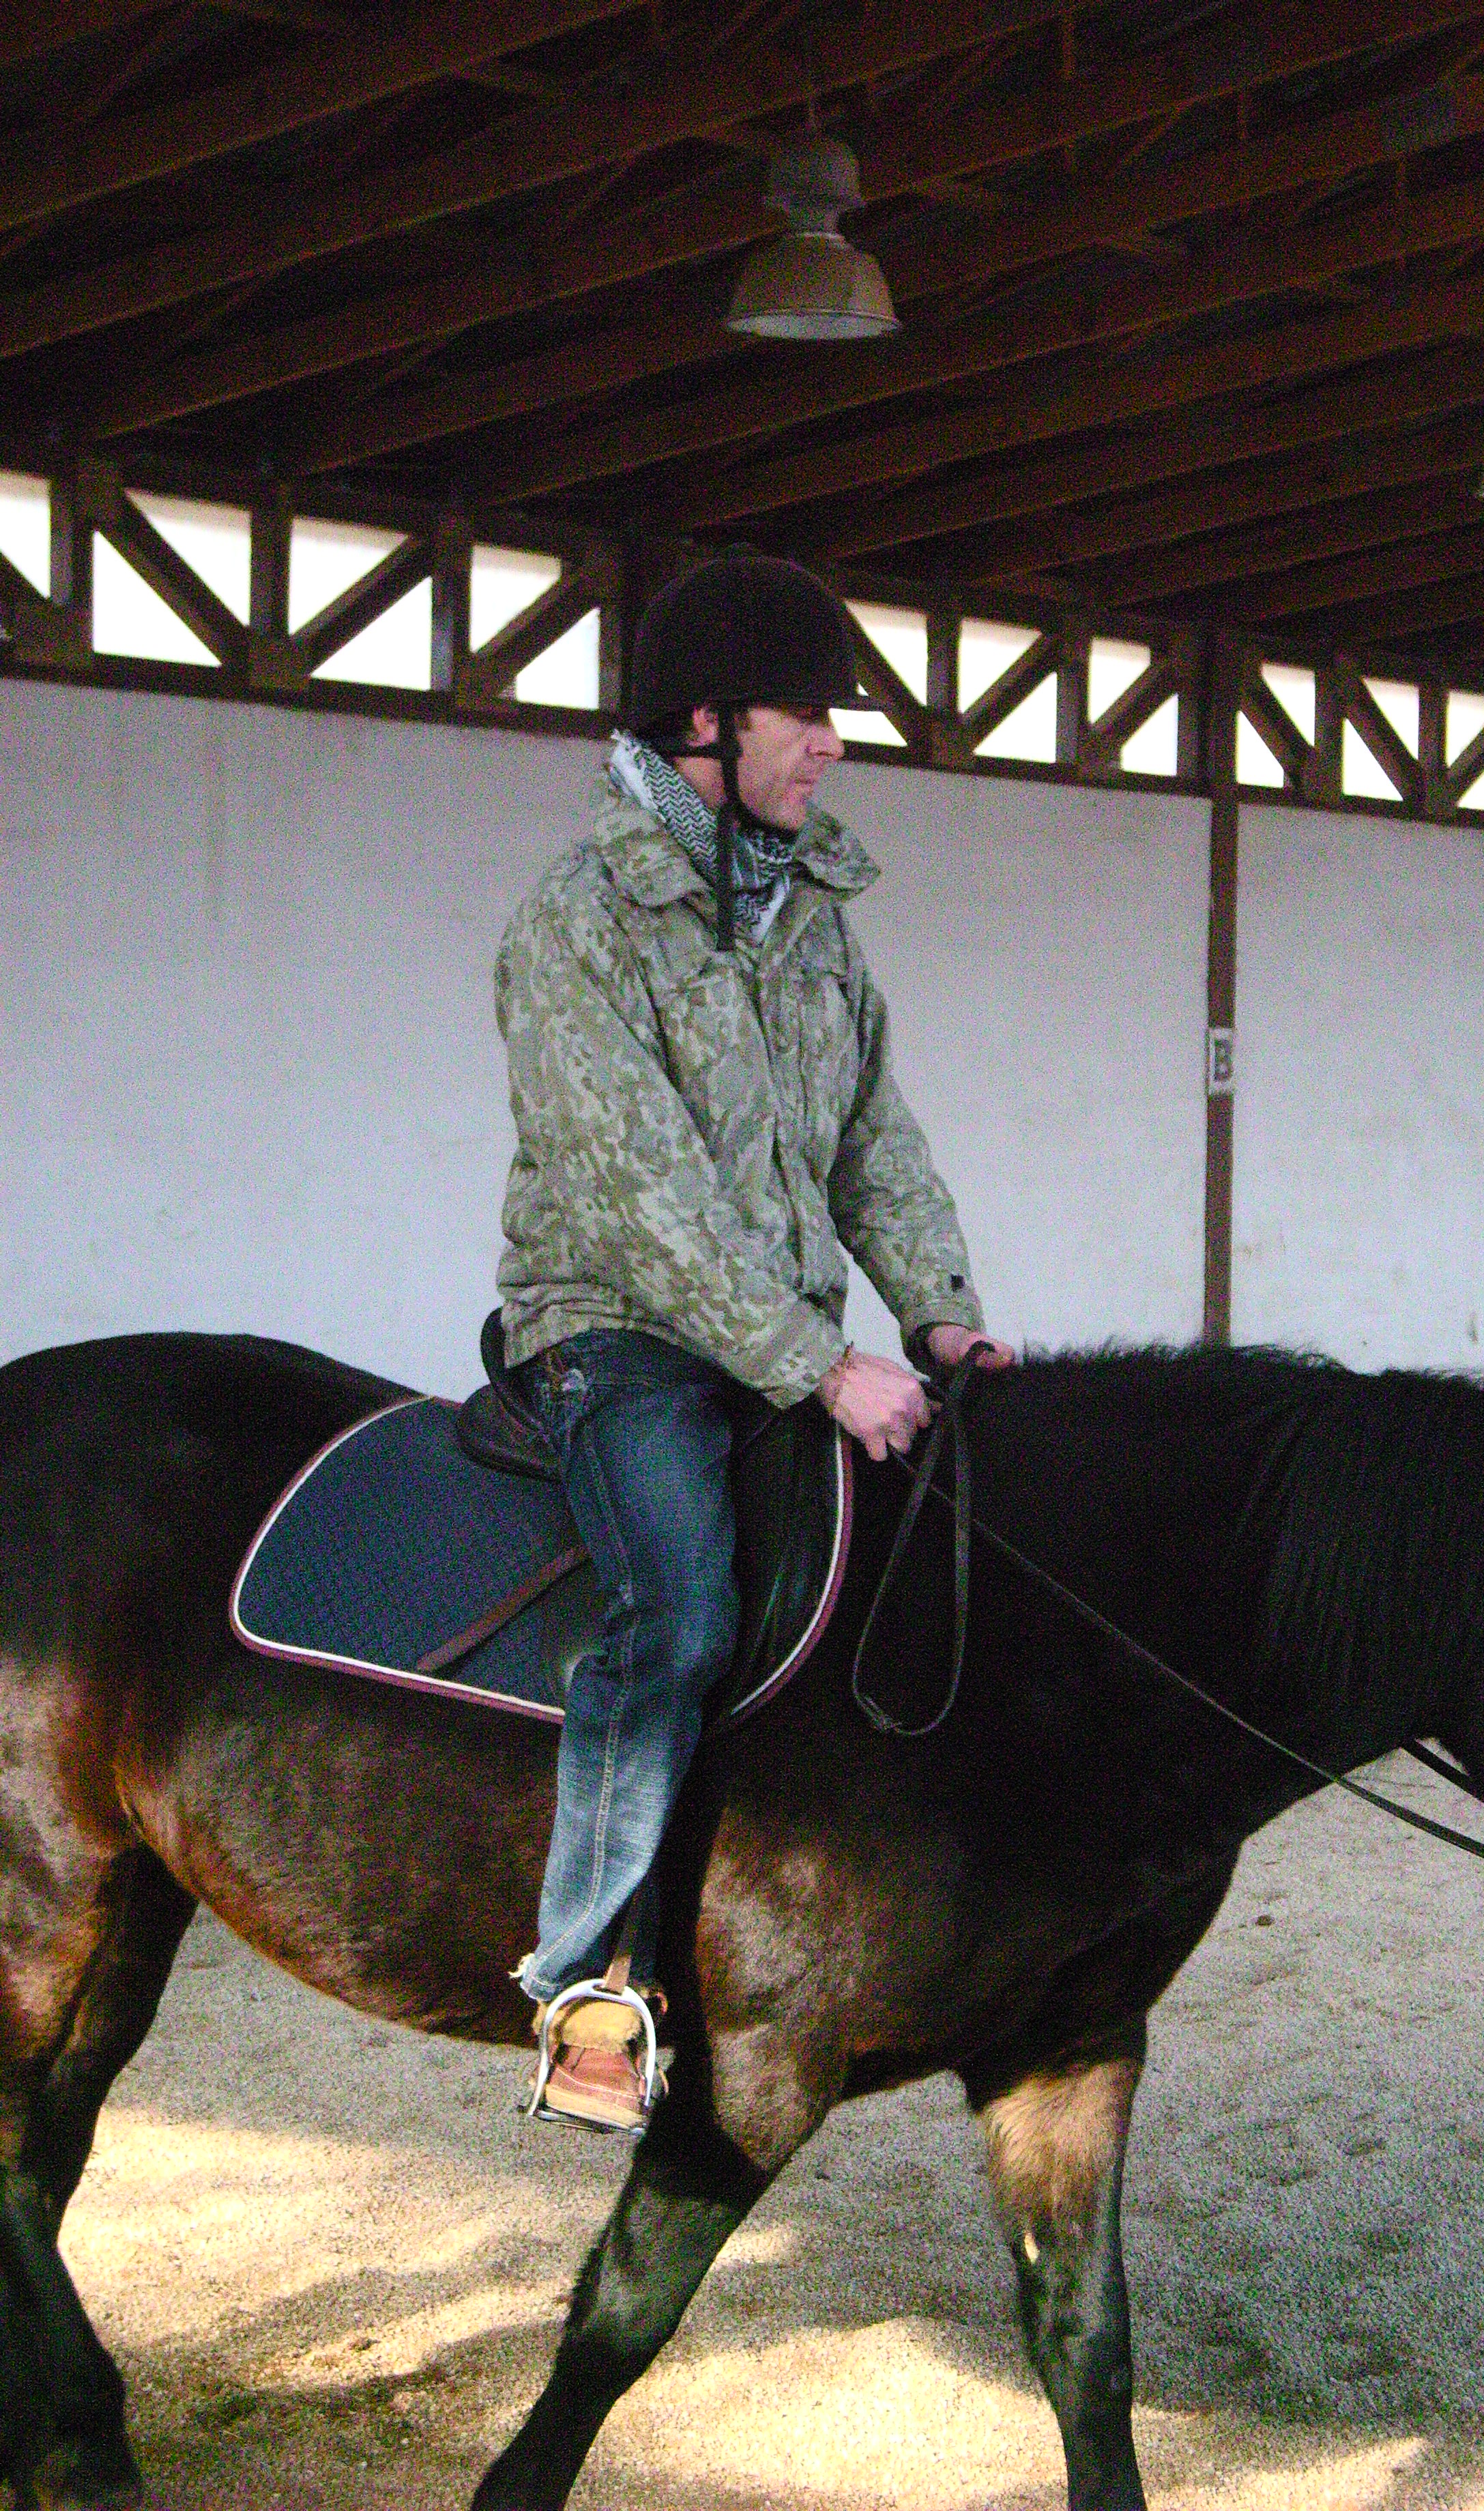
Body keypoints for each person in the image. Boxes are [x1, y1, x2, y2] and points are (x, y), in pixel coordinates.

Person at [493, 549, 1012, 2130]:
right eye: (809, 714)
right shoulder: (579, 921)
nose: (833, 744)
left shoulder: (811, 923)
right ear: (705, 724)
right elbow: (636, 1191)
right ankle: (586, 1984)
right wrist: (819, 1365)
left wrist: (940, 1313)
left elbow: (874, 1144)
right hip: (620, 1335)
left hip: (786, 1337)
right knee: (681, 1611)